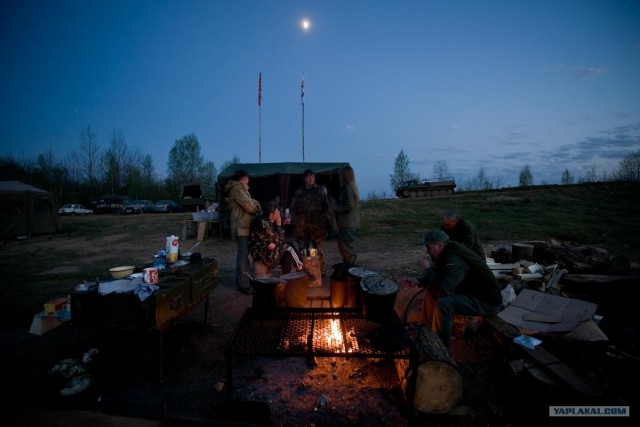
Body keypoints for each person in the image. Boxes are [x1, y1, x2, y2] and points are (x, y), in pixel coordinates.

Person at [401, 230, 502, 351]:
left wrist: (428, 268)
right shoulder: (446, 253)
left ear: (439, 245)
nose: (427, 251)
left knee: (445, 303)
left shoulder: (455, 258)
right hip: (472, 293)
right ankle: (429, 329)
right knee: (431, 291)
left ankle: (442, 348)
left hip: (487, 302)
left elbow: (443, 289)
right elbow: (440, 277)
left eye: (428, 247)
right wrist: (419, 281)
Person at [225, 169, 261, 295]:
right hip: (241, 226)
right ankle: (243, 285)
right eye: (247, 177)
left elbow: (249, 203)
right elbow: (249, 206)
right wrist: (258, 210)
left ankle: (243, 280)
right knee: (243, 257)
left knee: (243, 256)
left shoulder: (240, 189)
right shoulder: (237, 189)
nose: (249, 180)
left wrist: (254, 202)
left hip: (244, 226)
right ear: (243, 177)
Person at [289, 169, 330, 271]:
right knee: (303, 249)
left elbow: (326, 207)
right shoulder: (299, 192)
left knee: (318, 250)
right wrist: (296, 221)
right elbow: (292, 208)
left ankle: (320, 270)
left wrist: (324, 221)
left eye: (313, 176)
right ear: (304, 178)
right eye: (309, 176)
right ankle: (304, 270)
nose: (311, 178)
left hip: (318, 226)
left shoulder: (320, 190)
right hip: (302, 226)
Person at [249, 201, 305, 276]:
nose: (279, 213)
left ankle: (286, 278)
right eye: (277, 211)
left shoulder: (267, 219)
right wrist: (279, 225)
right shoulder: (263, 223)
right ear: (271, 214)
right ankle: (300, 266)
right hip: (262, 253)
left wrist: (276, 242)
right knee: (288, 247)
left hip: (268, 249)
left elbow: (278, 240)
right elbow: (280, 239)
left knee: (288, 254)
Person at [333, 165, 360, 263]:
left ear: (345, 175)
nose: (339, 177)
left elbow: (349, 205)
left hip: (347, 224)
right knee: (345, 248)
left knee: (347, 249)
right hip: (348, 223)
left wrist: (335, 208)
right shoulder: (351, 186)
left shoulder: (348, 187)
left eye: (341, 174)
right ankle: (349, 267)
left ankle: (351, 270)